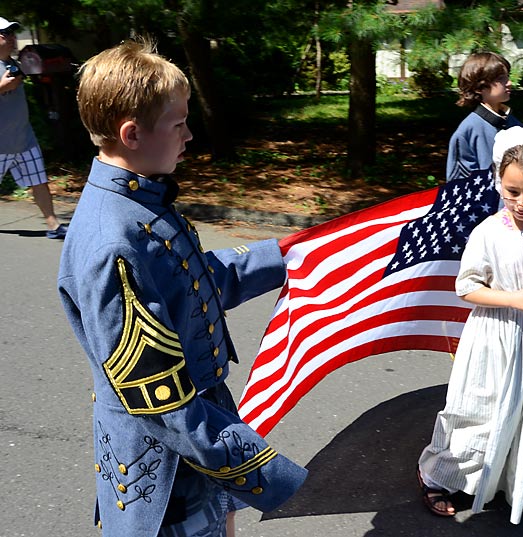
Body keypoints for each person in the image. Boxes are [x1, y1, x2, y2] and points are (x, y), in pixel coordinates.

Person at [58, 39, 307, 536]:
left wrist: (290, 254)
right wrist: (268, 474)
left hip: (201, 438)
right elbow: (162, 403)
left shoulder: (141, 200)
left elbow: (195, 284)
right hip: (172, 470)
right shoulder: (114, 242)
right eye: (178, 123)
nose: (189, 135)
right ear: (132, 134)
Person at [418, 126, 523, 524]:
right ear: (499, 182)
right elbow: (466, 287)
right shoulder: (489, 231)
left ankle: (512, 478)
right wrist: (513, 298)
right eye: (511, 191)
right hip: (493, 335)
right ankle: (437, 474)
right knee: (476, 409)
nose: (521, 203)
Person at [0, 16, 67, 239]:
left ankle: (53, 225)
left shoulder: (13, 63)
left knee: (39, 182)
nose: (11, 38)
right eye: (5, 34)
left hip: (23, 139)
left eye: (12, 33)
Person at [446, 51, 523, 182]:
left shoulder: (515, 124)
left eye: (507, 76)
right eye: (500, 78)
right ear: (479, 87)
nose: (509, 82)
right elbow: (459, 185)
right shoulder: (468, 131)